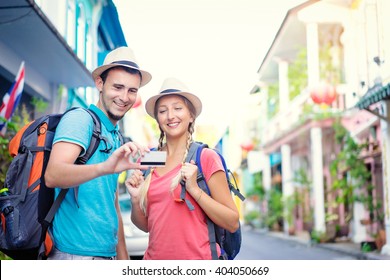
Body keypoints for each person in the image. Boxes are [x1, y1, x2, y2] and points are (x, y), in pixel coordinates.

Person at [44, 46, 152, 260]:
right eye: (118, 87)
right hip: (74, 255)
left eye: (132, 90)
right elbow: (53, 175)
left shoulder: (115, 135)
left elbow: (110, 201)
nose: (124, 97)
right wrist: (105, 168)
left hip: (105, 255)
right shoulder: (80, 120)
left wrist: (123, 259)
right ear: (100, 83)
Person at [125, 77, 240, 260]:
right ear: (158, 118)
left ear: (191, 115)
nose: (170, 116)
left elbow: (232, 222)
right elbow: (147, 226)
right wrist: (135, 198)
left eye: (178, 108)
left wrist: (194, 189)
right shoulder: (152, 158)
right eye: (163, 111)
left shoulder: (205, 158)